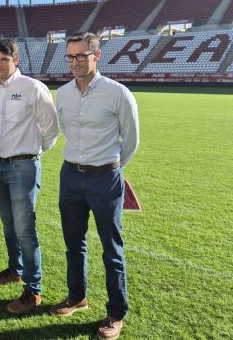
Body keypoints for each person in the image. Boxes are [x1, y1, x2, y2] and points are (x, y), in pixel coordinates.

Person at [50, 32, 139, 340]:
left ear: (96, 56)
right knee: (74, 244)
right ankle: (77, 297)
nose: (74, 62)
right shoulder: (62, 94)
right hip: (71, 176)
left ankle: (116, 313)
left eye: (81, 56)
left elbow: (131, 140)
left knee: (111, 249)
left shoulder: (118, 93)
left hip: (105, 178)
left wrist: (111, 167)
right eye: (70, 57)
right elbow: (65, 132)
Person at [0, 39, 59, 315]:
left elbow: (51, 131)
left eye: (3, 59)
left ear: (15, 60)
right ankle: (15, 270)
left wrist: (31, 155)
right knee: (8, 224)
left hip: (23, 168)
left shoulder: (32, 87)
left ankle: (33, 290)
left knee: (25, 229)